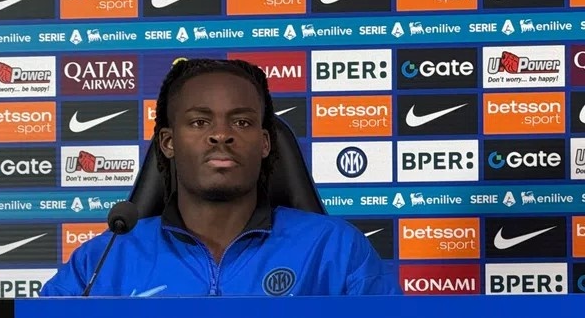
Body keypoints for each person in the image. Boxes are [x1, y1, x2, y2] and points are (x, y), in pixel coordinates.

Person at [40, 58, 402, 297]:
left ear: (265, 143)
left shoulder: (336, 248)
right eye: (200, 122)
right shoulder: (103, 260)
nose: (221, 135)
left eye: (241, 122)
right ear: (168, 142)